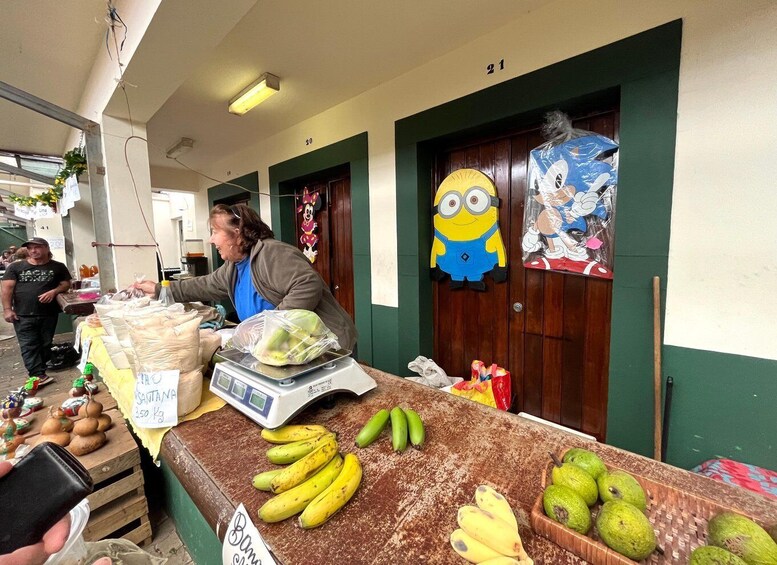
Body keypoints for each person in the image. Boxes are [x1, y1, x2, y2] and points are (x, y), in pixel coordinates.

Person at [135, 204, 357, 351]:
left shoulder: (272, 253)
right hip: (287, 349)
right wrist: (159, 289)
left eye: (215, 231)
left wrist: (268, 325)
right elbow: (206, 285)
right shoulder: (234, 265)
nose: (211, 240)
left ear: (237, 232)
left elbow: (307, 285)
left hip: (325, 347)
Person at [1, 238, 72, 383]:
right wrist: (7, 309)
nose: (33, 250)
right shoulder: (16, 268)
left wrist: (54, 291)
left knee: (45, 343)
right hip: (23, 314)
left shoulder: (58, 267)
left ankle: (41, 368)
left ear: (46, 248)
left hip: (48, 313)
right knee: (29, 345)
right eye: (30, 248)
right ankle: (37, 375)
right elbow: (6, 289)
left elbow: (65, 284)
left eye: (37, 247)